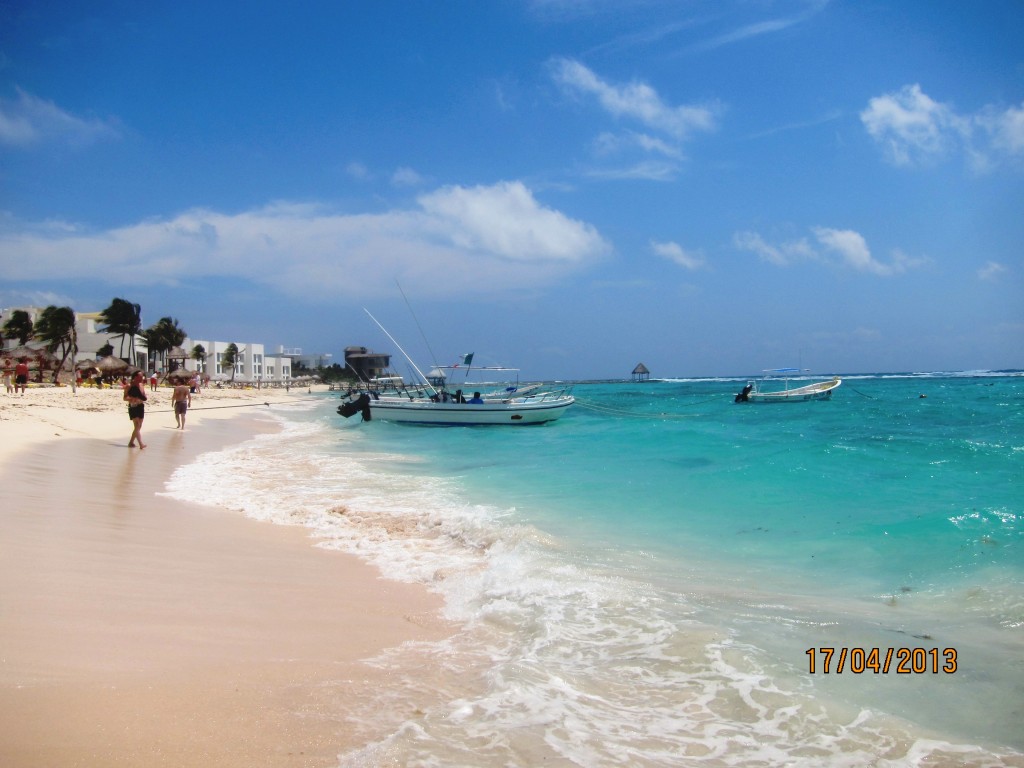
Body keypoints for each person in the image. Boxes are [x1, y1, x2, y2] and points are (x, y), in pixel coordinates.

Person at [123, 371, 148, 449]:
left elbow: (144, 395)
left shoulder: (141, 385)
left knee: (139, 426)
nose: (142, 378)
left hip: (141, 406)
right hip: (133, 406)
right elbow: (124, 397)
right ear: (135, 377)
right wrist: (132, 398)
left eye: (142, 376)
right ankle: (141, 444)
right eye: (140, 376)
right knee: (137, 425)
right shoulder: (129, 386)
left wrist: (144, 397)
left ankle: (131, 442)